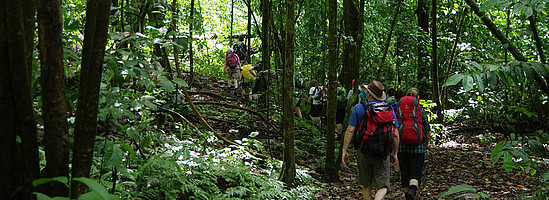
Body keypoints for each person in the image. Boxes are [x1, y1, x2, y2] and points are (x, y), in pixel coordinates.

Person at [341, 80, 400, 200]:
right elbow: (396, 133)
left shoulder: (359, 108)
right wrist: (395, 152)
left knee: (366, 185)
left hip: (363, 149)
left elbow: (350, 130)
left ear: (368, 94)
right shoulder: (389, 109)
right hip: (383, 151)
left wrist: (344, 150)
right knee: (383, 187)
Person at [398, 88, 430, 200]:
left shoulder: (400, 109)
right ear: (417, 98)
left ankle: (408, 195)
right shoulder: (420, 111)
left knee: (405, 173)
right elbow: (426, 129)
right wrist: (427, 142)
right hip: (418, 147)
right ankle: (412, 190)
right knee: (415, 172)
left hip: (402, 147)